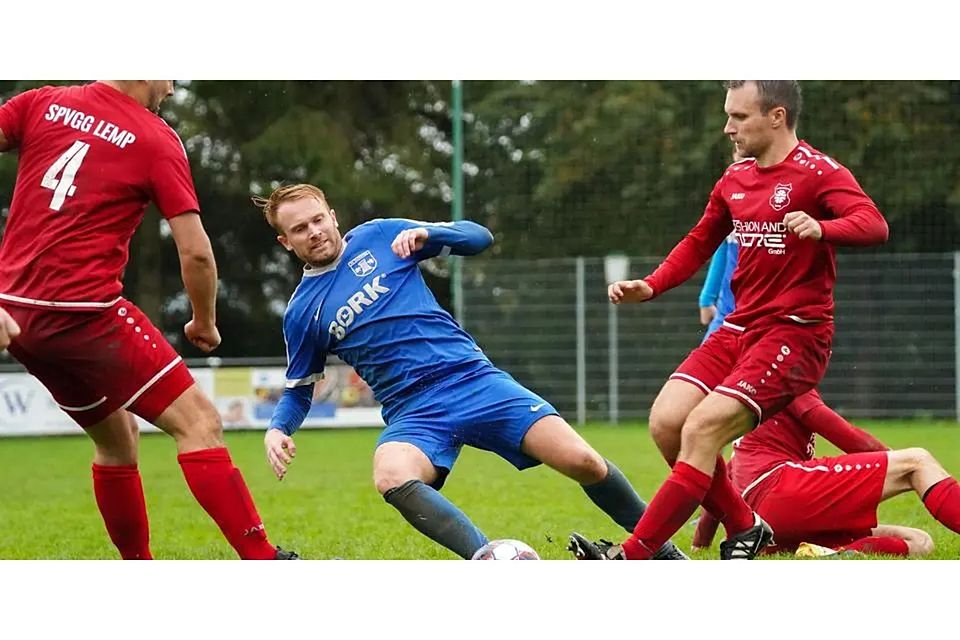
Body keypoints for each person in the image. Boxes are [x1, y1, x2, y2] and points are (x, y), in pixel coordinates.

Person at [254, 183, 687, 560]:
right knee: (390, 474)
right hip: (413, 411)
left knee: (583, 461)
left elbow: (479, 238)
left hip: (473, 380)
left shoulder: (380, 236)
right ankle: (489, 558)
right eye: (300, 229)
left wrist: (432, 234)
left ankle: (661, 552)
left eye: (318, 220)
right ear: (285, 242)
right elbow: (299, 389)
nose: (314, 232)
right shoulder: (301, 312)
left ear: (332, 216)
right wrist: (277, 428)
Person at [569, 80, 889, 560]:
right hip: (739, 328)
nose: (728, 128)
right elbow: (700, 240)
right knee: (667, 423)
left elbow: (873, 223)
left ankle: (633, 555)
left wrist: (823, 227)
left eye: (739, 116)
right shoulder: (735, 178)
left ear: (776, 117)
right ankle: (745, 525)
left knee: (702, 429)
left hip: (794, 334)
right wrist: (652, 285)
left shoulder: (819, 172)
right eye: (728, 115)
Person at [0, 81, 295, 559]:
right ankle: (264, 560)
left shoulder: (41, 102)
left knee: (117, 440)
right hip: (85, 315)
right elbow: (196, 253)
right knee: (199, 423)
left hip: (16, 319)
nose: (172, 89)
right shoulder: (154, 137)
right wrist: (204, 322)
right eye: (168, 74)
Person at [693, 390, 960, 558]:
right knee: (917, 461)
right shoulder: (787, 377)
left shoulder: (751, 408)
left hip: (763, 532)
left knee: (919, 541)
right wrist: (893, 460)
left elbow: (722, 479)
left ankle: (832, 556)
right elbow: (832, 426)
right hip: (782, 491)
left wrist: (700, 544)